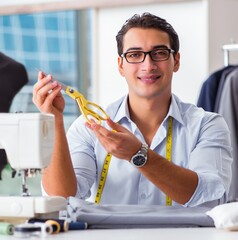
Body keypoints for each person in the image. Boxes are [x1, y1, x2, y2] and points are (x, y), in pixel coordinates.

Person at [32, 12, 232, 207]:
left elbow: (208, 196)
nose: (148, 65)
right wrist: (54, 120)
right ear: (121, 65)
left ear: (176, 61)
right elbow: (62, 198)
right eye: (135, 55)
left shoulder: (207, 126)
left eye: (159, 53)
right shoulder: (88, 128)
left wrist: (138, 155)